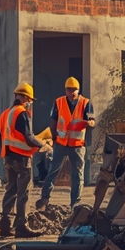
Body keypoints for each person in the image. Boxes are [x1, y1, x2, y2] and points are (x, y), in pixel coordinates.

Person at [0, 83, 52, 238]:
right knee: (23, 192)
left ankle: (5, 225)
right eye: (30, 100)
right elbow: (28, 138)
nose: (30, 103)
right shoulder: (22, 113)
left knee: (11, 189)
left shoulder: (6, 114)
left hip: (8, 157)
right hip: (21, 158)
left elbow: (0, 134)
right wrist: (43, 144)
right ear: (26, 98)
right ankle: (21, 225)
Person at [37, 77, 95, 210]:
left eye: (74, 89)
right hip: (61, 144)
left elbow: (92, 120)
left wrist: (89, 123)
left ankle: (75, 204)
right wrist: (55, 138)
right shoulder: (59, 102)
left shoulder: (86, 103)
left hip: (77, 145)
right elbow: (53, 123)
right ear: (66, 90)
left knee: (77, 174)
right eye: (69, 89)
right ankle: (44, 199)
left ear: (78, 90)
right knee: (53, 172)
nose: (72, 92)